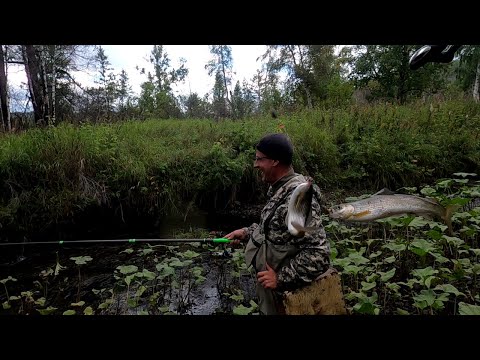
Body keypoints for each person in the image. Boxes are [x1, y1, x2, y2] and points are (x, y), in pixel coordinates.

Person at [224, 133, 335, 315]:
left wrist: (281, 278)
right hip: (274, 295)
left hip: (287, 297)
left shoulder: (297, 198)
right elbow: (276, 230)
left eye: (260, 159)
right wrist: (246, 232)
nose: (255, 164)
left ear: (275, 161)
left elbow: (318, 254)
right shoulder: (278, 188)